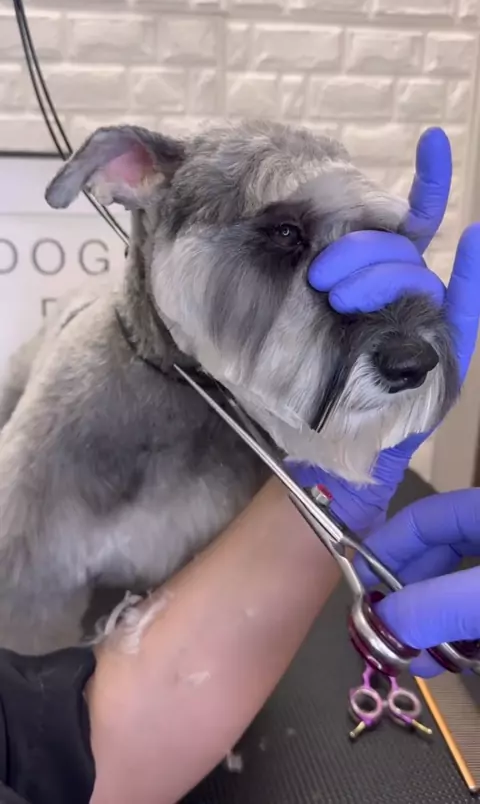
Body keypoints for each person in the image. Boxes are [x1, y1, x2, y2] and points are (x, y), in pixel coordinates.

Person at [1, 127, 480, 804]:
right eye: (283, 236)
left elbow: (97, 741)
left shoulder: (251, 432)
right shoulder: (61, 411)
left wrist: (333, 481)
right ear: (134, 175)